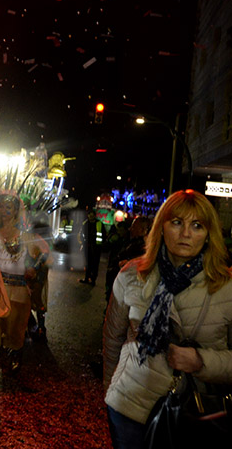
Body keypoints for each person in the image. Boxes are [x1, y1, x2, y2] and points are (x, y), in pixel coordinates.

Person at [103, 190, 232, 448]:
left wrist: (201, 361)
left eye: (197, 225)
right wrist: (110, 390)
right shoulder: (131, 275)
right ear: (161, 227)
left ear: (209, 234)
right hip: (130, 405)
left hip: (194, 412)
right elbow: (112, 339)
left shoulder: (226, 286)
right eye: (177, 223)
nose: (186, 234)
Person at [0, 193, 49, 378]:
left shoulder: (26, 234)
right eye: (3, 207)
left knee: (15, 328)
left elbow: (45, 253)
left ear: (16, 210)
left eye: (9, 207)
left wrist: (34, 268)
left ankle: (12, 359)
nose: (5, 211)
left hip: (18, 289)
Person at [105, 216, 149, 303]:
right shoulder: (131, 241)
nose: (131, 229)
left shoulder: (143, 247)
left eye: (134, 227)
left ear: (142, 229)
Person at [79, 209, 102, 285]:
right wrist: (83, 243)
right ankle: (87, 278)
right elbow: (81, 234)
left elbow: (103, 236)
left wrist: (99, 246)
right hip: (87, 246)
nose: (90, 216)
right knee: (88, 263)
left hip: (96, 248)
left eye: (92, 215)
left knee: (95, 264)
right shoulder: (85, 223)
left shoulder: (99, 224)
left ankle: (93, 280)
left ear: (94, 216)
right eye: (89, 215)